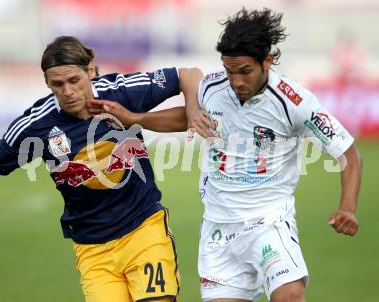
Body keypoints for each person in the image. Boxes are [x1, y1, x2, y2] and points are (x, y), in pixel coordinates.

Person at [97, 7, 362, 302]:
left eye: (245, 71)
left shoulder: (294, 101)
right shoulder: (212, 86)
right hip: (218, 230)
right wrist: (136, 119)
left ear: (267, 60)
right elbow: (189, 117)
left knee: (289, 296)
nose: (236, 81)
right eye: (229, 71)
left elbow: (347, 151)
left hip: (269, 221)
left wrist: (347, 208)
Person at [0, 36, 203, 302]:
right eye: (58, 84)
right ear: (47, 83)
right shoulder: (35, 126)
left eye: (74, 81)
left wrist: (192, 110)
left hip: (144, 230)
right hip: (93, 248)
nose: (67, 91)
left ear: (90, 70)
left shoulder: (120, 91)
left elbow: (188, 75)